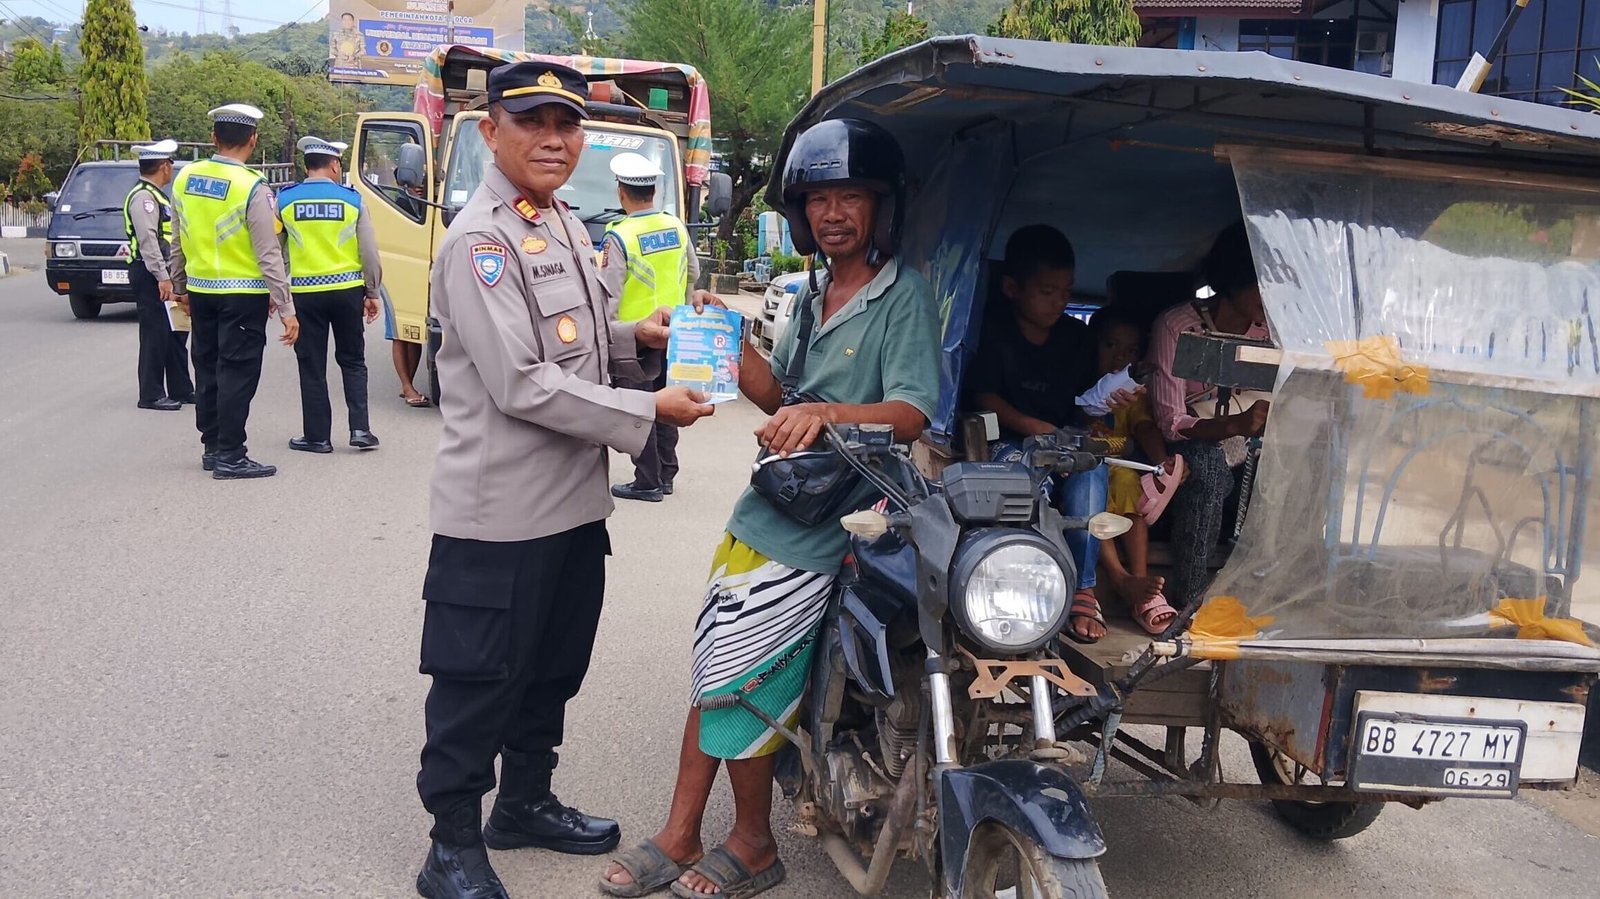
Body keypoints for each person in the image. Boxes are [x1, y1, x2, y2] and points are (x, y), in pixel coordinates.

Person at [600, 118, 941, 899]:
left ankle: (749, 840)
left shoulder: (904, 293)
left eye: (851, 197)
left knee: (746, 672)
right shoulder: (814, 291)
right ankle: (685, 830)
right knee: (714, 658)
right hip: (774, 503)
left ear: (879, 207)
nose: (834, 214)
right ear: (801, 214)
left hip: (846, 514)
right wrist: (724, 337)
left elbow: (914, 411)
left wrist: (831, 416)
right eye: (819, 200)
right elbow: (779, 391)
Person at [413, 62, 715, 899]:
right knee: (478, 681)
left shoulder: (561, 225)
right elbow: (521, 382)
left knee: (552, 666)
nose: (554, 138)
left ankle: (526, 801)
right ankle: (450, 844)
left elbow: (573, 344)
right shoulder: (481, 241)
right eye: (533, 121)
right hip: (499, 514)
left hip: (572, 506)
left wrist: (637, 337)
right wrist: (648, 407)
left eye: (567, 123)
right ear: (491, 132)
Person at [966, 225, 1118, 643]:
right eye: (1048, 292)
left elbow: (1086, 398)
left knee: (1093, 472)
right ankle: (1032, 584)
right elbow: (984, 396)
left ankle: (1083, 588)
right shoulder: (991, 332)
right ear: (1012, 288)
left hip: (1064, 444)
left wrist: (1096, 417)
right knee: (1022, 484)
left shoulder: (1077, 338)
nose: (1060, 302)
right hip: (1010, 443)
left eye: (1066, 291)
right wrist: (1035, 430)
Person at [1146, 222, 1272, 611]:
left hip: (1251, 442)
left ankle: (1262, 596)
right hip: (1192, 443)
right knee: (1208, 470)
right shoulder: (1176, 326)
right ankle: (1192, 600)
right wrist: (1231, 425)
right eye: (1259, 282)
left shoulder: (1271, 330)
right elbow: (1170, 420)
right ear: (1233, 277)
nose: (1268, 296)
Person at [170, 103, 299, 480]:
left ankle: (212, 446)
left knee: (207, 367)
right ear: (253, 140)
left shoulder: (185, 178)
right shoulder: (252, 187)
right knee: (237, 372)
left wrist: (180, 287)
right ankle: (231, 453)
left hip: (201, 290)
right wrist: (287, 306)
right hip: (243, 295)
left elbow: (178, 240)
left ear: (213, 138)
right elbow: (268, 252)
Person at [602, 151, 699, 502]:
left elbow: (608, 294)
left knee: (640, 409)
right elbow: (694, 272)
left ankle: (647, 481)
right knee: (668, 404)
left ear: (621, 192)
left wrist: (607, 335)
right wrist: (683, 308)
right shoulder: (675, 225)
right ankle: (667, 474)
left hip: (637, 339)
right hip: (676, 332)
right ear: (653, 191)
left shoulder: (621, 236)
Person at [278, 135, 382, 454]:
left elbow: (276, 251)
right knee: (352, 360)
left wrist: (280, 294)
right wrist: (372, 290)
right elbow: (368, 251)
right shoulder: (352, 200)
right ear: (334, 164)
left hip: (306, 293)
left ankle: (317, 437)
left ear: (306, 165)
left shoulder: (284, 200)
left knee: (311, 364)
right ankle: (360, 429)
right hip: (347, 290)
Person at [1082, 308, 1184, 635]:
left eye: (1128, 352)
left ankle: (1142, 586)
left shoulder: (1132, 395)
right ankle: (1118, 576)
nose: (1118, 357)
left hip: (1121, 467)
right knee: (1090, 492)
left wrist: (1162, 462)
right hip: (1083, 468)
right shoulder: (1082, 389)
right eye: (1110, 346)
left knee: (1131, 485)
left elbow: (1144, 428)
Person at [122, 138, 194, 412]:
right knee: (155, 333)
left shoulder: (157, 195)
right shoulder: (144, 198)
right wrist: (163, 277)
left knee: (176, 332)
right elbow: (148, 240)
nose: (171, 170)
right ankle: (151, 394)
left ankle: (181, 388)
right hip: (151, 272)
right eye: (170, 165)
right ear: (163, 166)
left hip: (165, 272)